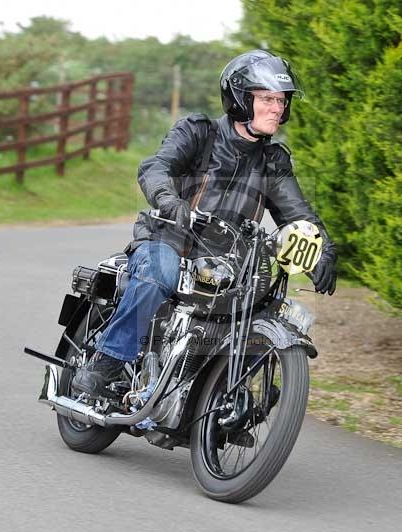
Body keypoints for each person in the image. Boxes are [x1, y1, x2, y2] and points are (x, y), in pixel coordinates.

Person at [72, 49, 338, 397]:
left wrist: (325, 249)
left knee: (266, 304)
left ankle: (223, 395)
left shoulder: (273, 162)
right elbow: (156, 167)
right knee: (159, 273)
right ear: (241, 99)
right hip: (170, 240)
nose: (278, 108)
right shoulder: (200, 133)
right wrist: (168, 200)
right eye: (268, 99)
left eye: (282, 100)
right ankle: (105, 362)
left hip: (226, 265)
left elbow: (299, 214)